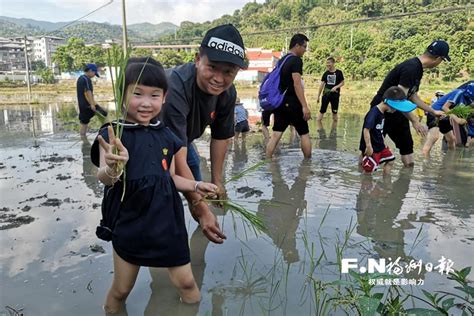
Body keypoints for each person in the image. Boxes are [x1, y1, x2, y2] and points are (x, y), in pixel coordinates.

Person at [90, 58, 219, 314]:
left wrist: (196, 183)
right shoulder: (113, 135)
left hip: (168, 225)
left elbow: (169, 177)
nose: (146, 102)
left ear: (164, 97)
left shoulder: (166, 135)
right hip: (130, 225)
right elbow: (103, 177)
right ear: (122, 93)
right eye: (137, 94)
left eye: (154, 95)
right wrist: (114, 168)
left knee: (188, 285)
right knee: (121, 290)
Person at [160, 24, 246, 244]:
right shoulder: (175, 86)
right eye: (212, 67)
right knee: (166, 195)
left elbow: (220, 137)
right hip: (154, 142)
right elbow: (175, 155)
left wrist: (217, 182)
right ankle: (165, 259)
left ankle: (200, 249)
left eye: (228, 72)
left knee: (200, 189)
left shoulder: (227, 92)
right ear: (198, 59)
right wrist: (201, 206)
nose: (219, 78)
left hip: (183, 141)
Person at [370, 40, 449, 167]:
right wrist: (415, 120)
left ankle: (405, 181)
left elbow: (411, 95)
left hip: (398, 112)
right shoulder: (411, 68)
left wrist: (432, 111)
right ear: (438, 58)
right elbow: (398, 99)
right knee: (370, 150)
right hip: (382, 110)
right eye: (442, 61)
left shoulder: (418, 69)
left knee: (407, 148)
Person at [266, 33, 312, 159]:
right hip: (293, 103)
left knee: (276, 134)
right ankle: (307, 164)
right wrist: (305, 106)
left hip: (280, 102)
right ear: (297, 45)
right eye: (304, 46)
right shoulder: (296, 61)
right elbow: (297, 84)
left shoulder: (282, 60)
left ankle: (268, 160)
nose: (305, 50)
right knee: (304, 134)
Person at [360, 86, 417, 174]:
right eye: (395, 108)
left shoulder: (383, 113)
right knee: (369, 169)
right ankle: (366, 184)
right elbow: (366, 129)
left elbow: (380, 131)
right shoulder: (373, 113)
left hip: (381, 146)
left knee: (390, 160)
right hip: (373, 148)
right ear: (388, 103)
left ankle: (386, 183)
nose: (395, 111)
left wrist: (384, 143)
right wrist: (368, 146)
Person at [422, 82, 473, 155]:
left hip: (445, 116)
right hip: (435, 113)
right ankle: (426, 160)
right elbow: (445, 107)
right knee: (434, 137)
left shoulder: (469, 100)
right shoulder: (458, 93)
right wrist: (457, 119)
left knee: (451, 139)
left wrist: (464, 119)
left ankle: (450, 160)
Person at [316, 57, 345, 122]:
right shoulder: (325, 73)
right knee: (322, 110)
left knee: (335, 112)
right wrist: (318, 96)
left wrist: (336, 87)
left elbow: (342, 83)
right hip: (326, 94)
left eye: (329, 63)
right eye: (327, 63)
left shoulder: (339, 73)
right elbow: (321, 85)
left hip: (335, 95)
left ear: (333, 63)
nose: (327, 64)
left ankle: (334, 130)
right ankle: (319, 127)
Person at [77, 63, 100, 136]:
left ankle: (83, 139)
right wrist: (92, 104)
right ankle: (109, 133)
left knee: (84, 123)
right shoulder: (86, 79)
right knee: (104, 113)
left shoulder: (80, 78)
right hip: (87, 105)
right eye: (94, 73)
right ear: (90, 71)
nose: (94, 75)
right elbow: (88, 92)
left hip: (82, 105)